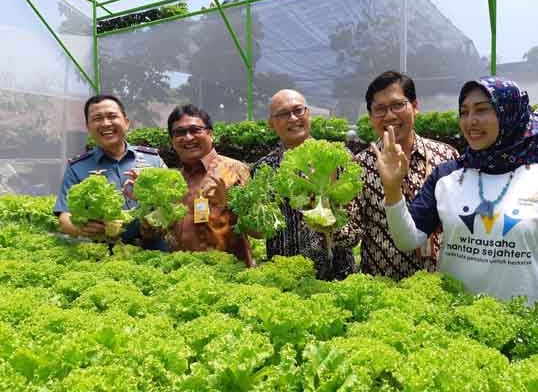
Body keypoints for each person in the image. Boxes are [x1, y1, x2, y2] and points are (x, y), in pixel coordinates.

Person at [376, 76, 538, 304]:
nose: (470, 121)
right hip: (454, 323)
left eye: (482, 110)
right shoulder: (447, 175)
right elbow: (408, 240)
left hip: (525, 326)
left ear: (509, 113)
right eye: (464, 112)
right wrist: (393, 188)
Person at [336, 71, 458, 280]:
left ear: (415, 106)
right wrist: (327, 217)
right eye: (380, 109)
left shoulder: (446, 157)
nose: (390, 115)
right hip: (382, 289)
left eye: (398, 105)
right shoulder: (359, 166)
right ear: (371, 116)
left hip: (438, 285)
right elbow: (351, 234)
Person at [253, 89, 355, 280]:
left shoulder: (340, 159)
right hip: (284, 279)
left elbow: (356, 231)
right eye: (283, 114)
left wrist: (329, 217)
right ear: (271, 124)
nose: (293, 118)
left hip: (338, 278)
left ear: (308, 114)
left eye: (298, 110)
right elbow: (260, 230)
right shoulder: (263, 168)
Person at [54, 94, 166, 249]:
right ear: (88, 127)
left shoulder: (152, 159)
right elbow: (64, 217)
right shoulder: (77, 168)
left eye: (112, 116)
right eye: (97, 118)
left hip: (155, 251)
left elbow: (175, 203)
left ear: (126, 123)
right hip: (105, 256)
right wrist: (80, 228)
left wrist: (154, 202)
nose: (106, 123)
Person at [163, 104, 254, 267]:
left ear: (210, 134)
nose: (188, 137)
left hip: (229, 276)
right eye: (180, 132)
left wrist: (230, 205)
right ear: (172, 141)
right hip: (182, 277)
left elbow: (258, 230)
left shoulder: (234, 170)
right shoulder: (173, 181)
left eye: (195, 130)